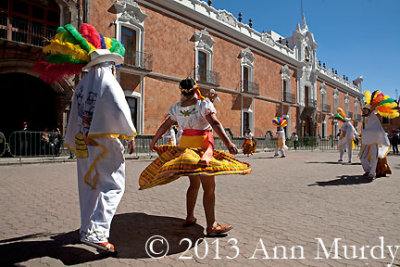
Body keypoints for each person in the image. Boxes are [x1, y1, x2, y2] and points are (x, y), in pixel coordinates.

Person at [36, 23, 136, 253]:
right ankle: (98, 233)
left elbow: (73, 116)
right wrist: (129, 134)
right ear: (109, 64)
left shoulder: (82, 86)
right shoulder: (109, 81)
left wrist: (71, 140)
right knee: (113, 186)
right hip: (104, 144)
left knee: (88, 187)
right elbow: (120, 108)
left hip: (84, 144)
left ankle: (86, 229)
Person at [139, 78, 251, 236]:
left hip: (186, 150)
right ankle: (211, 225)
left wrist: (154, 140)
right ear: (195, 89)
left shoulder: (177, 107)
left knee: (194, 184)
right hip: (201, 149)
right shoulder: (202, 104)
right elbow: (215, 123)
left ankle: (189, 217)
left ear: (182, 91)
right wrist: (228, 143)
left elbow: (165, 125)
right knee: (209, 188)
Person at [359, 90, 399, 181]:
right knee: (362, 157)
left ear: (369, 111)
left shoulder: (374, 120)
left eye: (365, 110)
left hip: (374, 142)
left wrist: (368, 134)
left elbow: (377, 131)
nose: (364, 111)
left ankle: (372, 174)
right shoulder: (365, 120)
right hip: (366, 142)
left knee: (374, 158)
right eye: (363, 110)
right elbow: (364, 130)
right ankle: (368, 170)